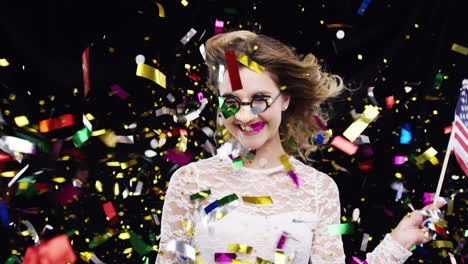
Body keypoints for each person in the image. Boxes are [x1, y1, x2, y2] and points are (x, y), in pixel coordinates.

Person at [155, 30, 445, 264]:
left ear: (285, 99)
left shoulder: (319, 189)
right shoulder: (189, 181)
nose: (244, 116)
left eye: (259, 99)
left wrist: (398, 242)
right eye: (231, 102)